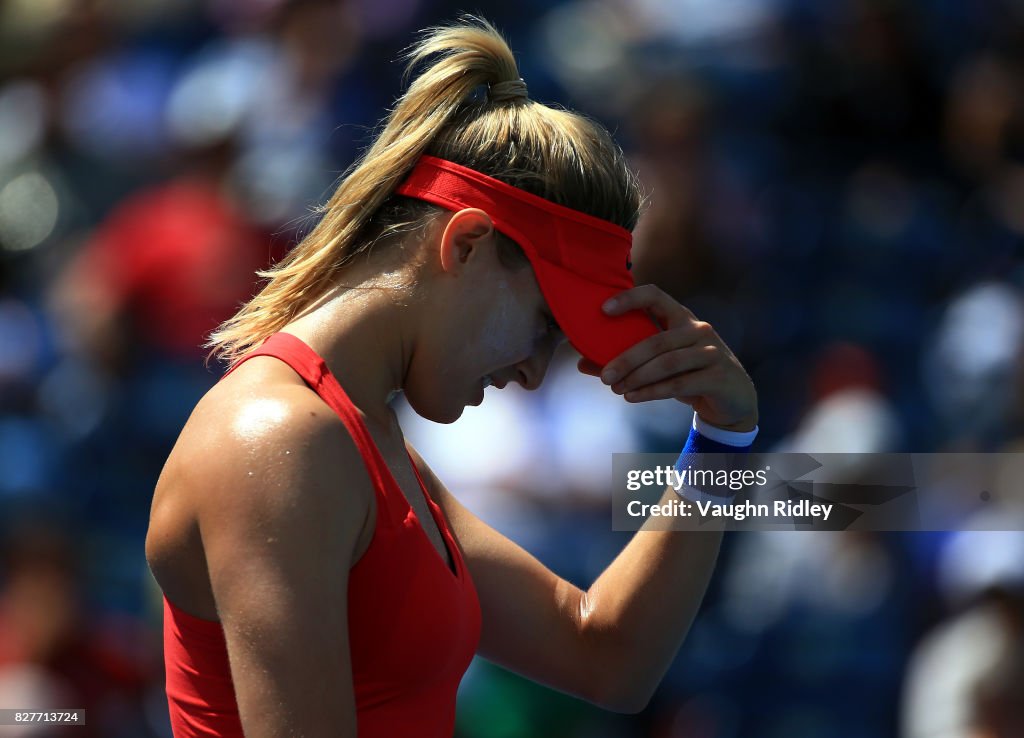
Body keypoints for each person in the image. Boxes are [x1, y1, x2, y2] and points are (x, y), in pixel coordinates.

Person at [144, 17, 759, 738]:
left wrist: (724, 439)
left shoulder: (354, 440)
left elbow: (609, 659)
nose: (534, 372)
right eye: (543, 323)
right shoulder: (280, 438)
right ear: (467, 243)